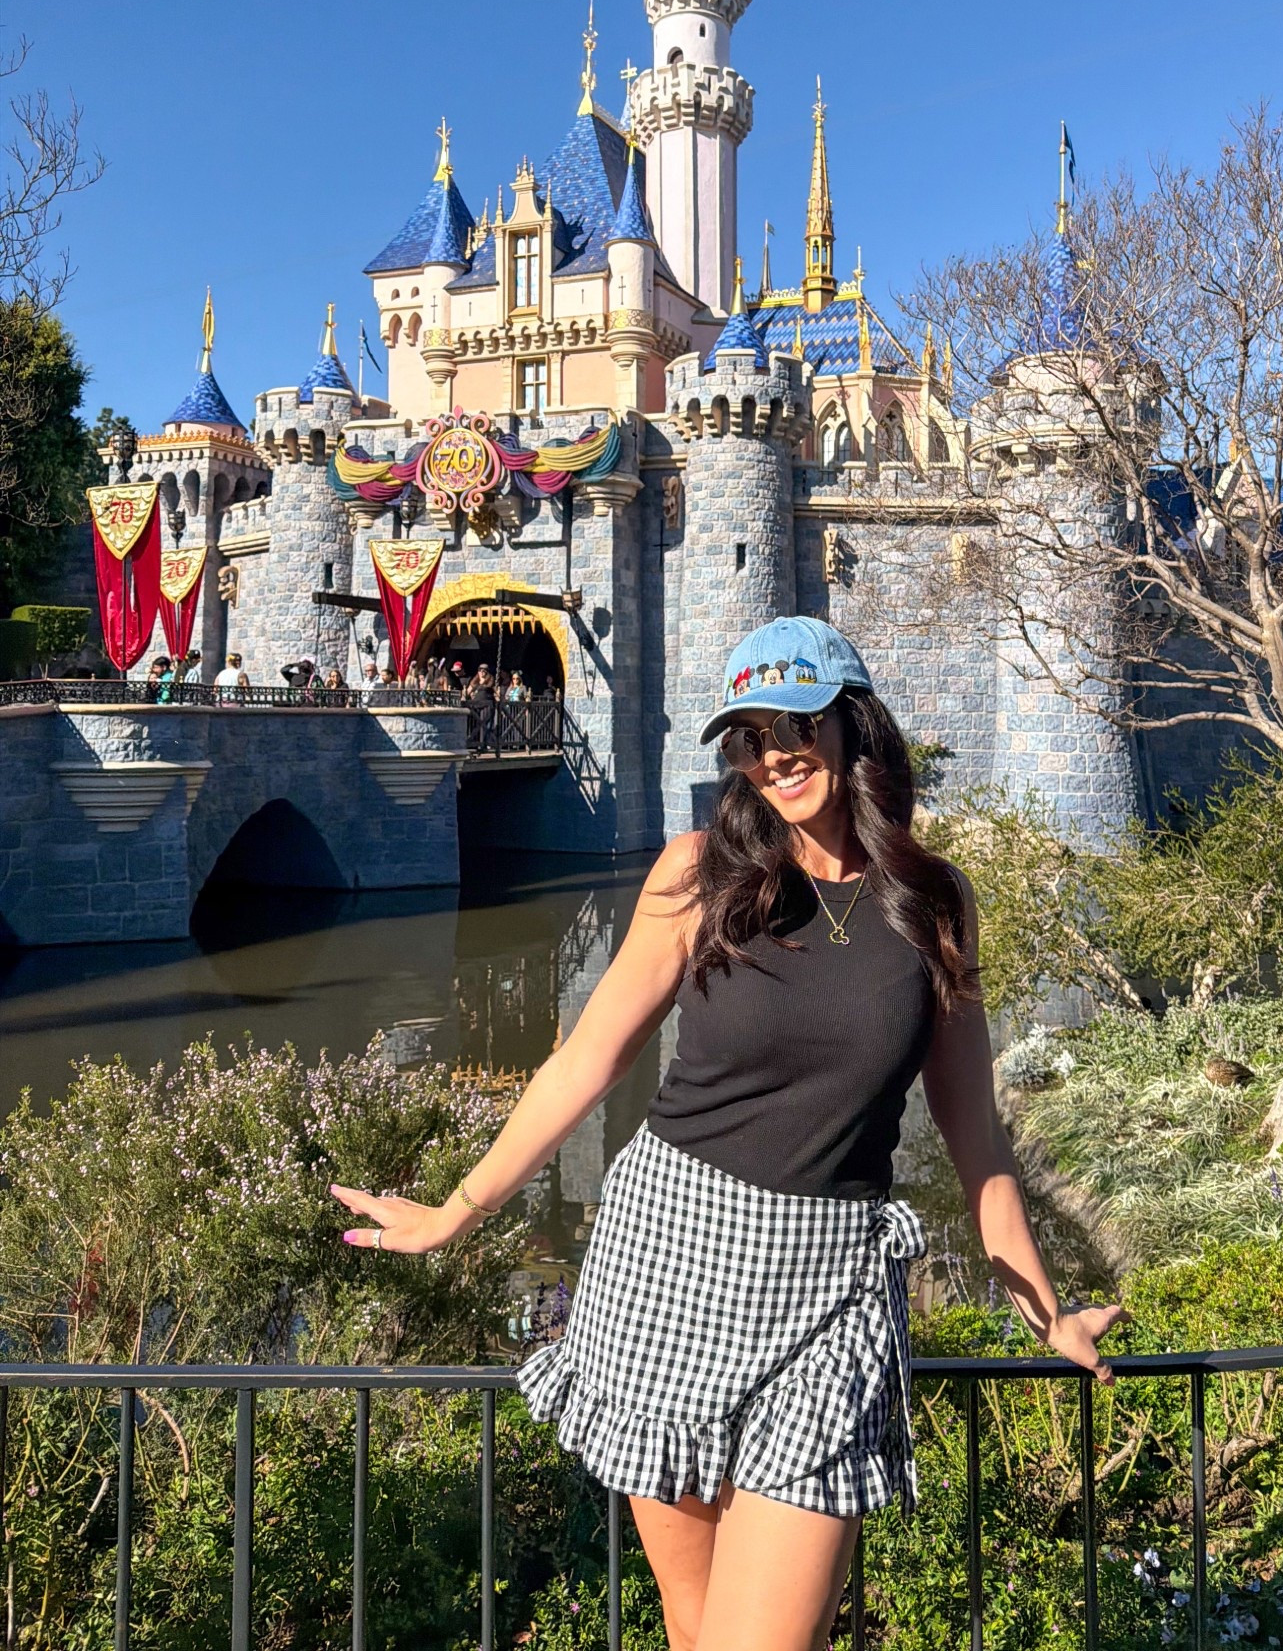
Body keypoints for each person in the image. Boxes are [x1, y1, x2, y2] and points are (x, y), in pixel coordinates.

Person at [333, 616, 1123, 1651]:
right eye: (750, 732)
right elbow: (586, 1057)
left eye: (795, 720)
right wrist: (458, 1208)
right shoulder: (697, 874)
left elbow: (973, 1129)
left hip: (830, 1289)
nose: (774, 749)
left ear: (852, 723)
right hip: (668, 1257)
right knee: (697, 1626)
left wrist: (1044, 1309)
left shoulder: (933, 902)